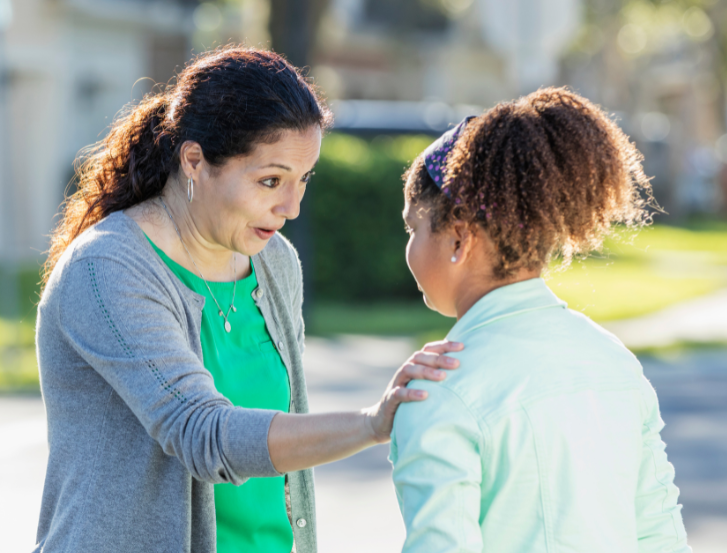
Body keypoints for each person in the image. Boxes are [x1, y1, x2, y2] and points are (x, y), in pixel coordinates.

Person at [34, 46, 461, 553]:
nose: (292, 207)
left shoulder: (273, 260)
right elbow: (204, 435)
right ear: (194, 161)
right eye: (270, 181)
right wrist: (370, 424)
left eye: (303, 180)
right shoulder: (107, 270)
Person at [390, 88, 690, 552]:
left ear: (459, 238)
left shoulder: (437, 388)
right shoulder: (615, 363)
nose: (408, 248)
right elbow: (660, 534)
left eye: (413, 228)